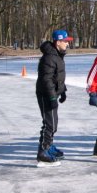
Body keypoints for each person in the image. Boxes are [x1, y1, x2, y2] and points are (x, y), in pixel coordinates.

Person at [35, 29, 72, 165]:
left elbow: (58, 77)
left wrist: (62, 91)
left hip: (52, 94)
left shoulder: (57, 55)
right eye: (65, 42)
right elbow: (46, 80)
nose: (67, 44)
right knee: (50, 124)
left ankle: (48, 146)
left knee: (53, 124)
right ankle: (43, 151)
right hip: (46, 94)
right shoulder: (50, 57)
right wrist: (51, 97)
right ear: (58, 42)